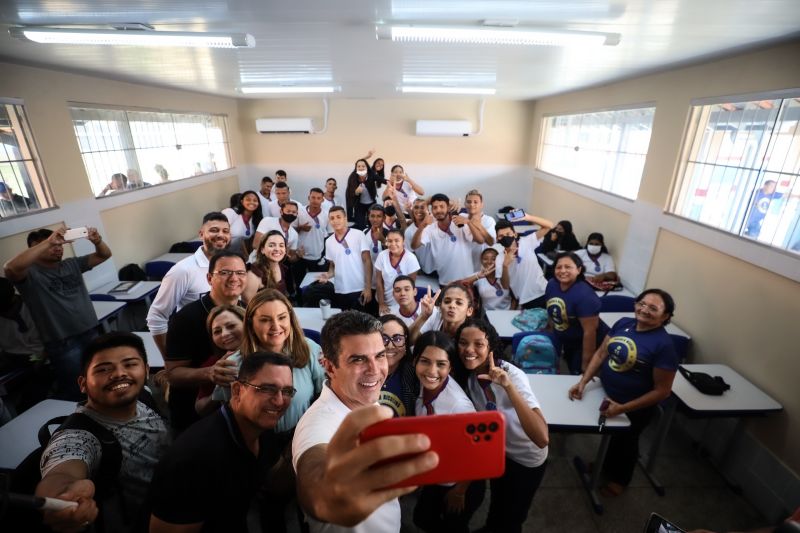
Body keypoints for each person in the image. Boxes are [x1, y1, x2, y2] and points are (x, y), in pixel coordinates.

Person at [292, 310, 438, 532]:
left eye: (379, 356)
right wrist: (327, 497)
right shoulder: (316, 425)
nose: (374, 370)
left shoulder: (365, 401)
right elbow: (314, 474)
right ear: (329, 366)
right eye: (358, 359)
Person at [212, 289, 325, 532]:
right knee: (270, 506)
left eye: (282, 317)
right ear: (251, 323)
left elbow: (324, 397)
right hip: (258, 445)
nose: (276, 326)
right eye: (265, 319)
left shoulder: (310, 350)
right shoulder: (234, 364)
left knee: (308, 502)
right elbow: (227, 412)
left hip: (303, 435)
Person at [37, 332, 170, 533]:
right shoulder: (80, 436)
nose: (118, 373)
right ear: (82, 384)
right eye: (103, 369)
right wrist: (62, 497)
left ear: (146, 371)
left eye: (130, 364)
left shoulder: (143, 396)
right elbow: (62, 471)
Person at [149, 352, 291, 533]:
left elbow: (274, 484)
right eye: (266, 389)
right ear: (238, 390)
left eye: (287, 391)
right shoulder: (194, 460)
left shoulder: (261, 429)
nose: (279, 401)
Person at [568, 288, 679, 497]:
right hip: (608, 394)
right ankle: (604, 465)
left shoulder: (664, 346)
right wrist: (583, 381)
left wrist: (624, 408)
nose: (644, 309)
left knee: (627, 442)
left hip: (634, 405)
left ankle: (621, 479)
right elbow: (601, 353)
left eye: (653, 308)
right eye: (642, 303)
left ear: (665, 317)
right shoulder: (623, 324)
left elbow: (662, 391)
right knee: (612, 437)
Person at [456, 319, 549, 533]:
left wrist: (508, 387)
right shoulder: (469, 377)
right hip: (500, 454)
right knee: (498, 503)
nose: (469, 350)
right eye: (463, 343)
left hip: (526, 459)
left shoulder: (513, 375)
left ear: (491, 347)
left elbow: (542, 437)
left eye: (478, 344)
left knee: (513, 517)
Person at [5, 226, 112, 399]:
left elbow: (104, 255)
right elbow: (10, 268)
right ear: (34, 249)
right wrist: (48, 242)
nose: (57, 247)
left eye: (60, 244)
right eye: (52, 245)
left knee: (103, 379)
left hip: (91, 331)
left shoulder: (71, 264)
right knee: (78, 390)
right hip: (63, 342)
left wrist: (97, 241)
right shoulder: (29, 274)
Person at [164, 250, 246, 431]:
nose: (234, 278)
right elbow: (173, 374)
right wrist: (210, 373)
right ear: (209, 279)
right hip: (194, 412)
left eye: (240, 273)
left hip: (237, 408)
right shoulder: (186, 318)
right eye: (225, 273)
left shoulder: (246, 309)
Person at [411, 331, 483, 533]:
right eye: (425, 361)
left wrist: (460, 491)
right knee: (422, 519)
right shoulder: (421, 385)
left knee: (454, 527)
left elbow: (477, 453)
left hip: (462, 482)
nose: (432, 371)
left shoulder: (458, 406)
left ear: (450, 368)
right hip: (438, 475)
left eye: (441, 364)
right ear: (415, 361)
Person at [146, 212, 231, 356]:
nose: (221, 235)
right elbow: (156, 317)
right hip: (195, 347)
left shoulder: (232, 264)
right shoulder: (183, 270)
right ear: (201, 234)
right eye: (214, 230)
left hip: (228, 343)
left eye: (225, 231)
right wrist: (170, 361)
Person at [545, 252, 601, 374]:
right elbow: (551, 308)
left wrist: (586, 363)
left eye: (568, 267)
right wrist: (550, 329)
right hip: (565, 338)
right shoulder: (552, 285)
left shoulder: (585, 296)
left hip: (583, 345)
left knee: (577, 372)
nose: (562, 271)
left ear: (579, 270)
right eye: (559, 267)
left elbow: (590, 332)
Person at [411, 193, 475, 285]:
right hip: (445, 283)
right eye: (435, 207)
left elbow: (479, 238)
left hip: (467, 280)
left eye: (442, 206)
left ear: (448, 208)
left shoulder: (461, 220)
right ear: (431, 210)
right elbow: (414, 245)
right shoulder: (429, 228)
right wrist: (422, 226)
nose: (438, 210)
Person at [317, 206, 372, 311]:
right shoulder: (328, 241)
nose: (335, 220)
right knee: (345, 323)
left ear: (345, 218)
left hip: (359, 288)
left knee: (360, 324)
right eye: (332, 218)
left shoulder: (358, 234)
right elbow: (333, 266)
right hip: (340, 289)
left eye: (338, 217)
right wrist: (327, 275)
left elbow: (367, 261)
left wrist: (368, 287)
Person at [495, 213, 554, 309]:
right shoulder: (499, 258)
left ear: (515, 234)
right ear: (497, 239)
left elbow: (549, 226)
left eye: (508, 234)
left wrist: (528, 217)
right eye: (501, 236)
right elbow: (505, 286)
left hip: (544, 291)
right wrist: (505, 266)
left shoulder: (526, 242)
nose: (505, 237)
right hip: (525, 299)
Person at [194, 304, 244, 416]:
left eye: (231, 326)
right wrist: (219, 391)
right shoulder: (214, 365)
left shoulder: (267, 352)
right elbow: (199, 408)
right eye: (217, 331)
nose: (224, 334)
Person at [377, 314, 418, 417]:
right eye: (384, 339)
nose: (390, 346)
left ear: (406, 344)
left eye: (398, 339)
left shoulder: (415, 376)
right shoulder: (360, 373)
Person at [375, 229, 420, 315]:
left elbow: (410, 286)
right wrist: (381, 303)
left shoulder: (411, 258)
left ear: (403, 241)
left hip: (402, 303)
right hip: (385, 302)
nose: (393, 244)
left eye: (397, 240)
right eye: (390, 241)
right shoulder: (382, 256)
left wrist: (406, 305)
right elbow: (379, 282)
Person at [293, 187, 331, 286]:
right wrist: (300, 228)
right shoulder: (299, 211)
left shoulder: (327, 214)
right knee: (299, 282)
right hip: (300, 255)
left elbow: (330, 235)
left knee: (316, 284)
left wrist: (326, 254)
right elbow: (291, 231)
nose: (315, 200)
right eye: (313, 197)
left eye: (318, 198)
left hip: (317, 256)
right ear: (308, 197)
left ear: (322, 200)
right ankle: (300, 300)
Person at [244, 230, 289, 302]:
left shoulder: (282, 267)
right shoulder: (253, 273)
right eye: (271, 245)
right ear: (262, 250)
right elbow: (247, 307)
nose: (277, 249)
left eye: (281, 245)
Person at [222, 189, 262, 256]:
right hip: (221, 252)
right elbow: (218, 235)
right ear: (242, 201)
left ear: (258, 204)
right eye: (248, 200)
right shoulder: (230, 212)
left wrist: (247, 257)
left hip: (236, 254)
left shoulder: (254, 220)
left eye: (255, 200)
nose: (252, 202)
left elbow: (241, 241)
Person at [464, 189, 497, 270]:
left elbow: (491, 242)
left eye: (475, 202)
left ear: (482, 204)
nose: (472, 205)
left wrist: (480, 226)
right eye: (469, 202)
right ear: (465, 204)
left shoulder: (489, 220)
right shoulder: (462, 217)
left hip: (480, 264)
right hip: (464, 263)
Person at [345, 158, 379, 229]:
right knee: (360, 225)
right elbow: (350, 195)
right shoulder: (353, 177)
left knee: (372, 224)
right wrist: (356, 192)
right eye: (359, 166)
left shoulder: (371, 175)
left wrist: (390, 182)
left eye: (363, 166)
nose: (361, 168)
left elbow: (382, 179)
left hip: (371, 204)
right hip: (359, 205)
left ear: (366, 167)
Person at [405, 198, 435, 275]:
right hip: (428, 270)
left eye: (422, 207)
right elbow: (410, 253)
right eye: (416, 207)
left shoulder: (435, 222)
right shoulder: (409, 231)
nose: (419, 210)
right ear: (412, 210)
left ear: (428, 210)